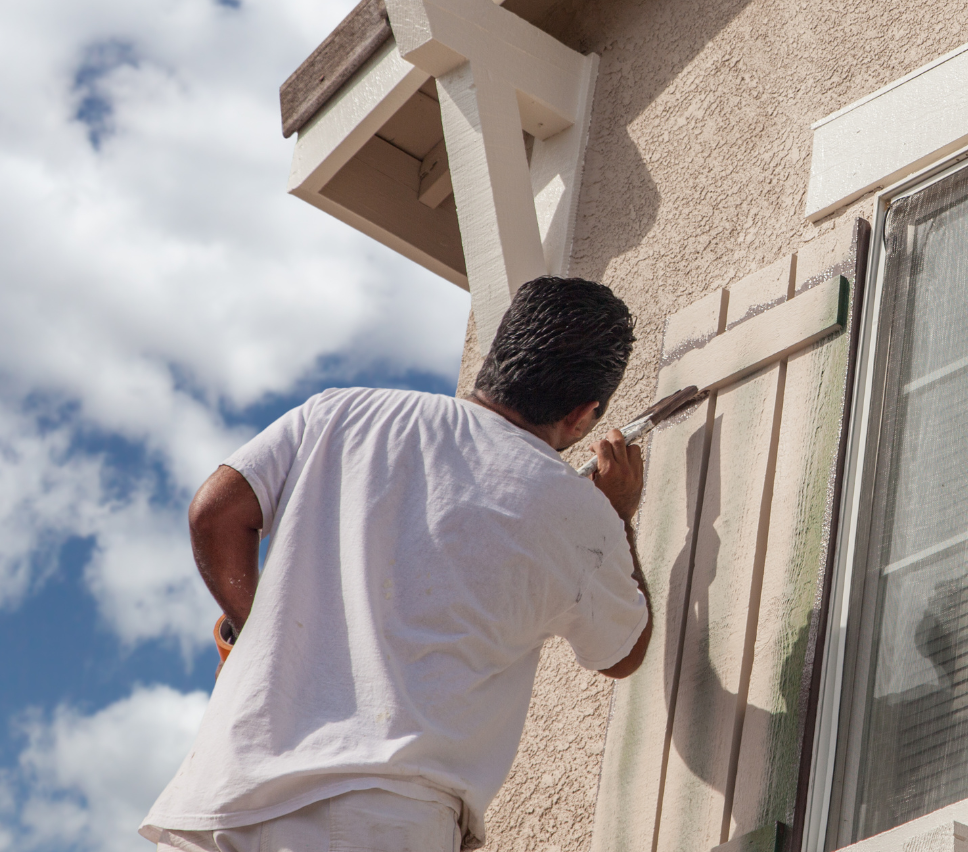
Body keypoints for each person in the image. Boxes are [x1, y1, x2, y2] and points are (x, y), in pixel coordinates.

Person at [140, 276, 700, 851]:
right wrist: (617, 515)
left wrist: (262, 636)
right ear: (584, 415)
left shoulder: (343, 412)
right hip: (375, 820)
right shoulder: (576, 511)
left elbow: (214, 514)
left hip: (219, 801)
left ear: (495, 358)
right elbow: (622, 651)